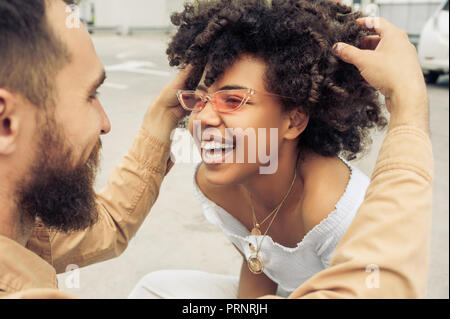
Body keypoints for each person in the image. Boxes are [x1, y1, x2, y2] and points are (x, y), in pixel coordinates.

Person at [129, 0, 433, 299]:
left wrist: (408, 100)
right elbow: (260, 263)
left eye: (232, 100)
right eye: (200, 99)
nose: (204, 117)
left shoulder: (332, 208)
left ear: (295, 119)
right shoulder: (216, 187)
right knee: (154, 288)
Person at [0, 0, 188, 297]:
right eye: (91, 94)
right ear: (6, 123)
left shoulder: (20, 231)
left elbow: (109, 224)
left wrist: (163, 117)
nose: (105, 123)